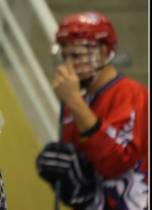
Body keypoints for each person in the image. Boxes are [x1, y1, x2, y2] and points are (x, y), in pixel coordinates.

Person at [36, 11, 148, 210]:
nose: (68, 65)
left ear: (103, 53)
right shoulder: (78, 99)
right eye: (65, 56)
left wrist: (73, 100)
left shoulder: (132, 94)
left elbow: (117, 161)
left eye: (76, 55)